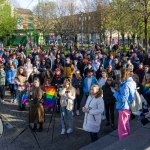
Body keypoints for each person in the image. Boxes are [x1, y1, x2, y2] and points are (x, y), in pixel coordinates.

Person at [112, 68, 136, 140]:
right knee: (126, 125)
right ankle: (127, 139)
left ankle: (123, 142)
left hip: (123, 107)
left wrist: (115, 92)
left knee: (122, 127)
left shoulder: (126, 85)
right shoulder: (132, 82)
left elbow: (123, 99)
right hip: (128, 107)